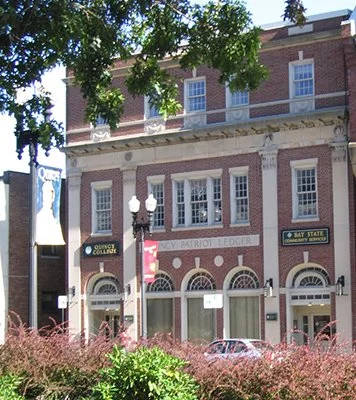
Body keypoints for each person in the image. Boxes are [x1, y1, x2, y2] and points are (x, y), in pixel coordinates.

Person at [36, 179, 65, 245]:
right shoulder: (39, 217)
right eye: (48, 192)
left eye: (52, 192)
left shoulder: (55, 219)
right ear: (43, 194)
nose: (51, 196)